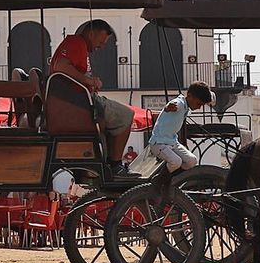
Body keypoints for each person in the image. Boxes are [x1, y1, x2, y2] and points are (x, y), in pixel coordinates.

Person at [48, 19, 136, 166]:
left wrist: (89, 81)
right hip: (77, 103)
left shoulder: (79, 45)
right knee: (126, 115)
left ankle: (107, 160)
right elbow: (60, 66)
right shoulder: (76, 43)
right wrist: (88, 81)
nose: (101, 47)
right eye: (101, 42)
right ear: (91, 34)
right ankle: (115, 165)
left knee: (116, 118)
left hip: (78, 100)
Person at [145, 82, 213, 171]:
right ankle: (161, 178)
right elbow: (169, 106)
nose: (199, 107)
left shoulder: (186, 107)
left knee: (192, 161)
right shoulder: (179, 103)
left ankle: (175, 175)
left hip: (172, 142)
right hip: (158, 143)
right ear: (189, 96)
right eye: (198, 104)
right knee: (176, 162)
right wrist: (168, 107)